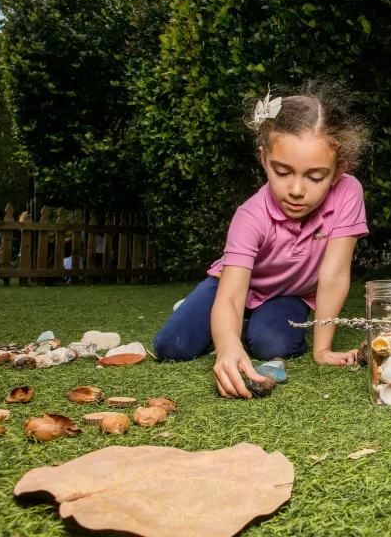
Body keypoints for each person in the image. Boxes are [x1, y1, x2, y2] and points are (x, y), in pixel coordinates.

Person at [154, 87, 369, 397]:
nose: (296, 189)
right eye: (282, 172)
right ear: (264, 159)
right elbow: (229, 295)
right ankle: (225, 324)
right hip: (234, 285)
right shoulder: (250, 215)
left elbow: (333, 276)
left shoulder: (349, 192)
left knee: (273, 344)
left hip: (289, 294)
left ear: (338, 172)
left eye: (315, 177)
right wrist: (228, 348)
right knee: (172, 346)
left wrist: (322, 349)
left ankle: (240, 325)